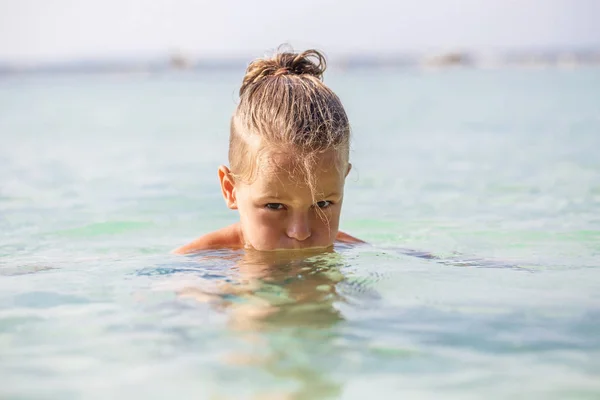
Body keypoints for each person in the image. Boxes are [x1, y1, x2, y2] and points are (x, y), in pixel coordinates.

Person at [173, 47, 363, 254]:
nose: (300, 232)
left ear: (343, 180)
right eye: (274, 206)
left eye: (323, 203)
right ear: (230, 190)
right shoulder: (199, 265)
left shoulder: (357, 251)